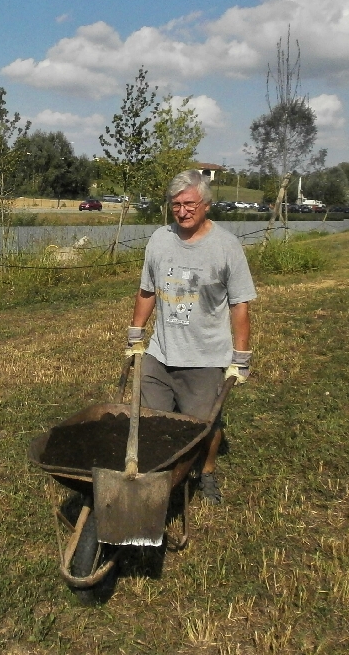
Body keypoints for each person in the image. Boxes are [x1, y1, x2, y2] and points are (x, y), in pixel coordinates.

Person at [126, 169, 256, 504]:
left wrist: (240, 359)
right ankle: (158, 480)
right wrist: (135, 335)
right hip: (160, 353)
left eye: (189, 204)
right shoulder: (159, 240)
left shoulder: (226, 247)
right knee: (150, 423)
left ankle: (207, 471)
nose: (182, 211)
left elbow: (240, 305)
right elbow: (146, 290)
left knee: (204, 426)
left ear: (206, 205)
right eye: (176, 205)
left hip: (206, 357)